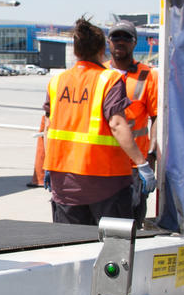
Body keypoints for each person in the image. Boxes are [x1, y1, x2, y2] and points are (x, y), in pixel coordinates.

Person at [43, 17, 155, 225]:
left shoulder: (57, 81)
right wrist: (142, 164)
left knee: (69, 247)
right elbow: (117, 124)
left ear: (76, 50)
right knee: (113, 247)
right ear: (102, 49)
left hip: (64, 181)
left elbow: (49, 127)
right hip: (106, 180)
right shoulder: (109, 79)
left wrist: (48, 164)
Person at [106, 20, 159, 223]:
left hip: (135, 167)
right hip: (104, 163)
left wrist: (150, 156)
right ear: (108, 42)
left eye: (126, 37)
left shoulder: (147, 75)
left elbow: (156, 117)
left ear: (135, 42)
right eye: (116, 37)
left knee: (131, 224)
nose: (120, 41)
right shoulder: (101, 73)